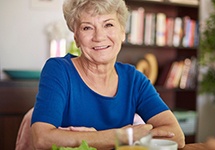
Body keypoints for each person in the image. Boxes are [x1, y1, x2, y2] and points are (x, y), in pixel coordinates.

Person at [31, 0, 185, 149]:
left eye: (108, 24)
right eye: (87, 28)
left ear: (123, 33)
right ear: (76, 38)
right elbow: (42, 138)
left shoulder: (134, 80)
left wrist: (89, 138)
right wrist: (121, 136)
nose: (99, 37)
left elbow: (177, 136)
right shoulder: (59, 70)